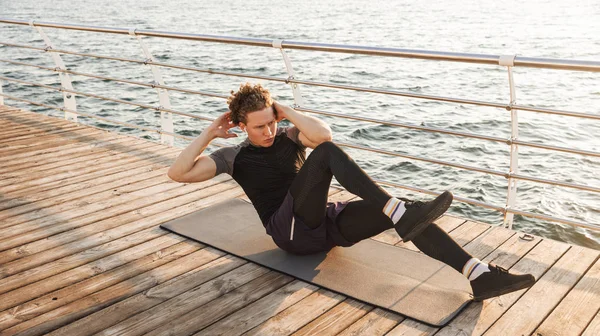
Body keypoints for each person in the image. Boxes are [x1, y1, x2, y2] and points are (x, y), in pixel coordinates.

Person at [168, 83, 535, 301]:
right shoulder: (234, 155)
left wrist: (287, 111)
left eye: (271, 122)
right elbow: (178, 173)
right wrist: (209, 134)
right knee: (329, 158)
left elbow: (322, 132)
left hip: (321, 223)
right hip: (289, 231)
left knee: (404, 211)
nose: (267, 131)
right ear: (243, 125)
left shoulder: (289, 134)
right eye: (259, 126)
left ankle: (478, 274)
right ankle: (397, 211)